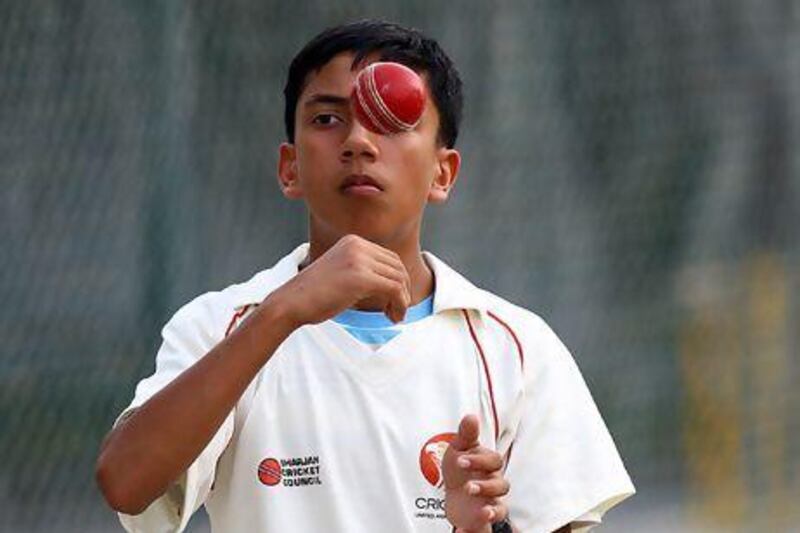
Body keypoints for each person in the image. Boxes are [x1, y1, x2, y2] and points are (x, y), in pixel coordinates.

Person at [96, 19, 634, 533]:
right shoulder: (221, 325)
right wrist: (283, 311)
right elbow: (125, 483)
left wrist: (482, 528)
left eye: (394, 119)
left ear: (442, 174)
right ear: (290, 168)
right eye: (327, 119)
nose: (358, 142)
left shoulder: (514, 348)